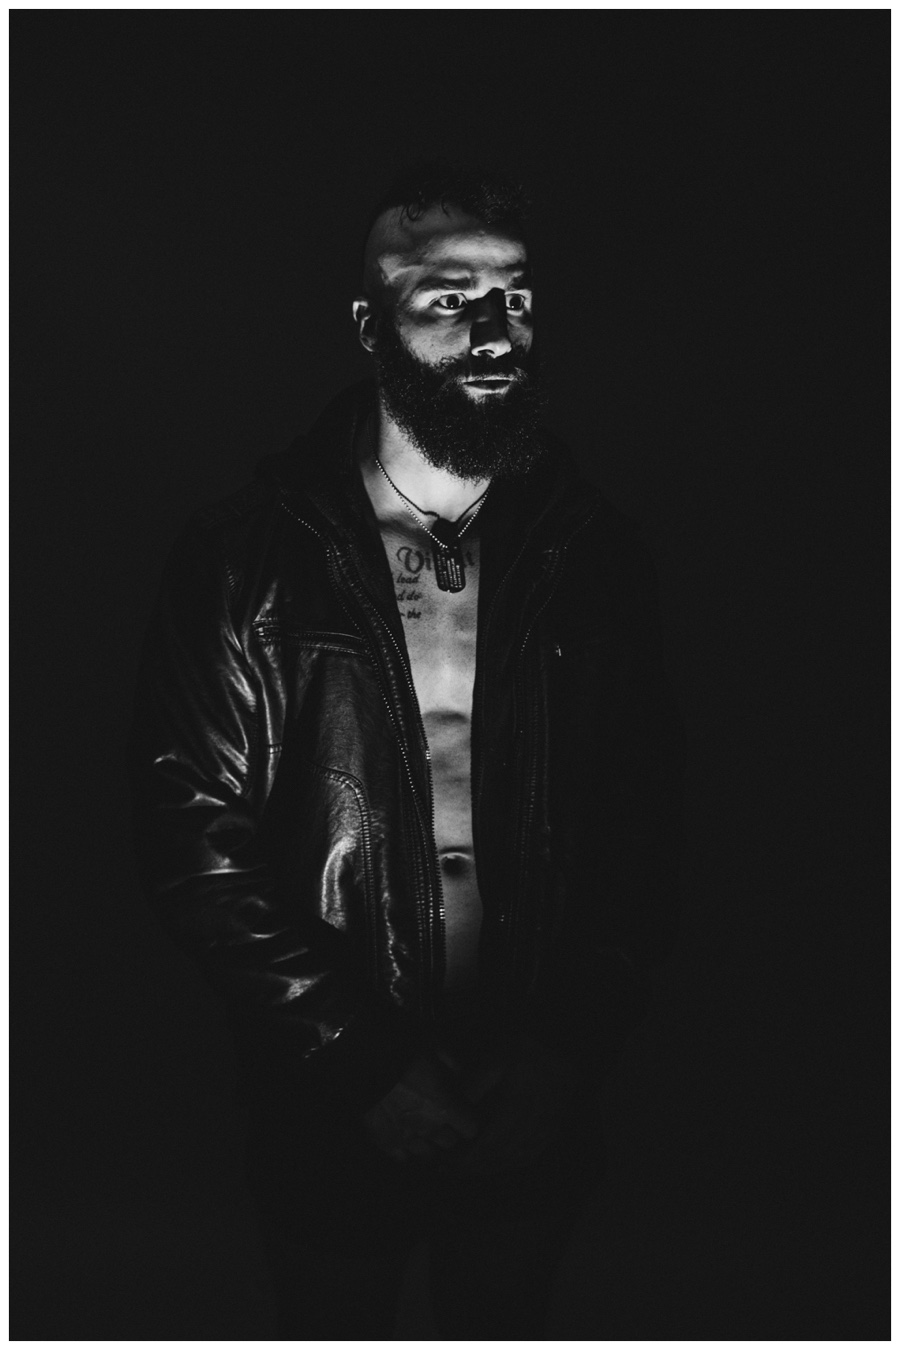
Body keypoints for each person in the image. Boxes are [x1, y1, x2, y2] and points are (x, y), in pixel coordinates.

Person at [128, 161, 685, 1338]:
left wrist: (563, 1052)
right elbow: (192, 841)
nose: (494, 332)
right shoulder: (246, 558)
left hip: (532, 1094)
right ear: (368, 324)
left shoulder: (593, 554)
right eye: (448, 297)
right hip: (329, 1103)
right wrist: (356, 1060)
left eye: (516, 296)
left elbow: (647, 823)